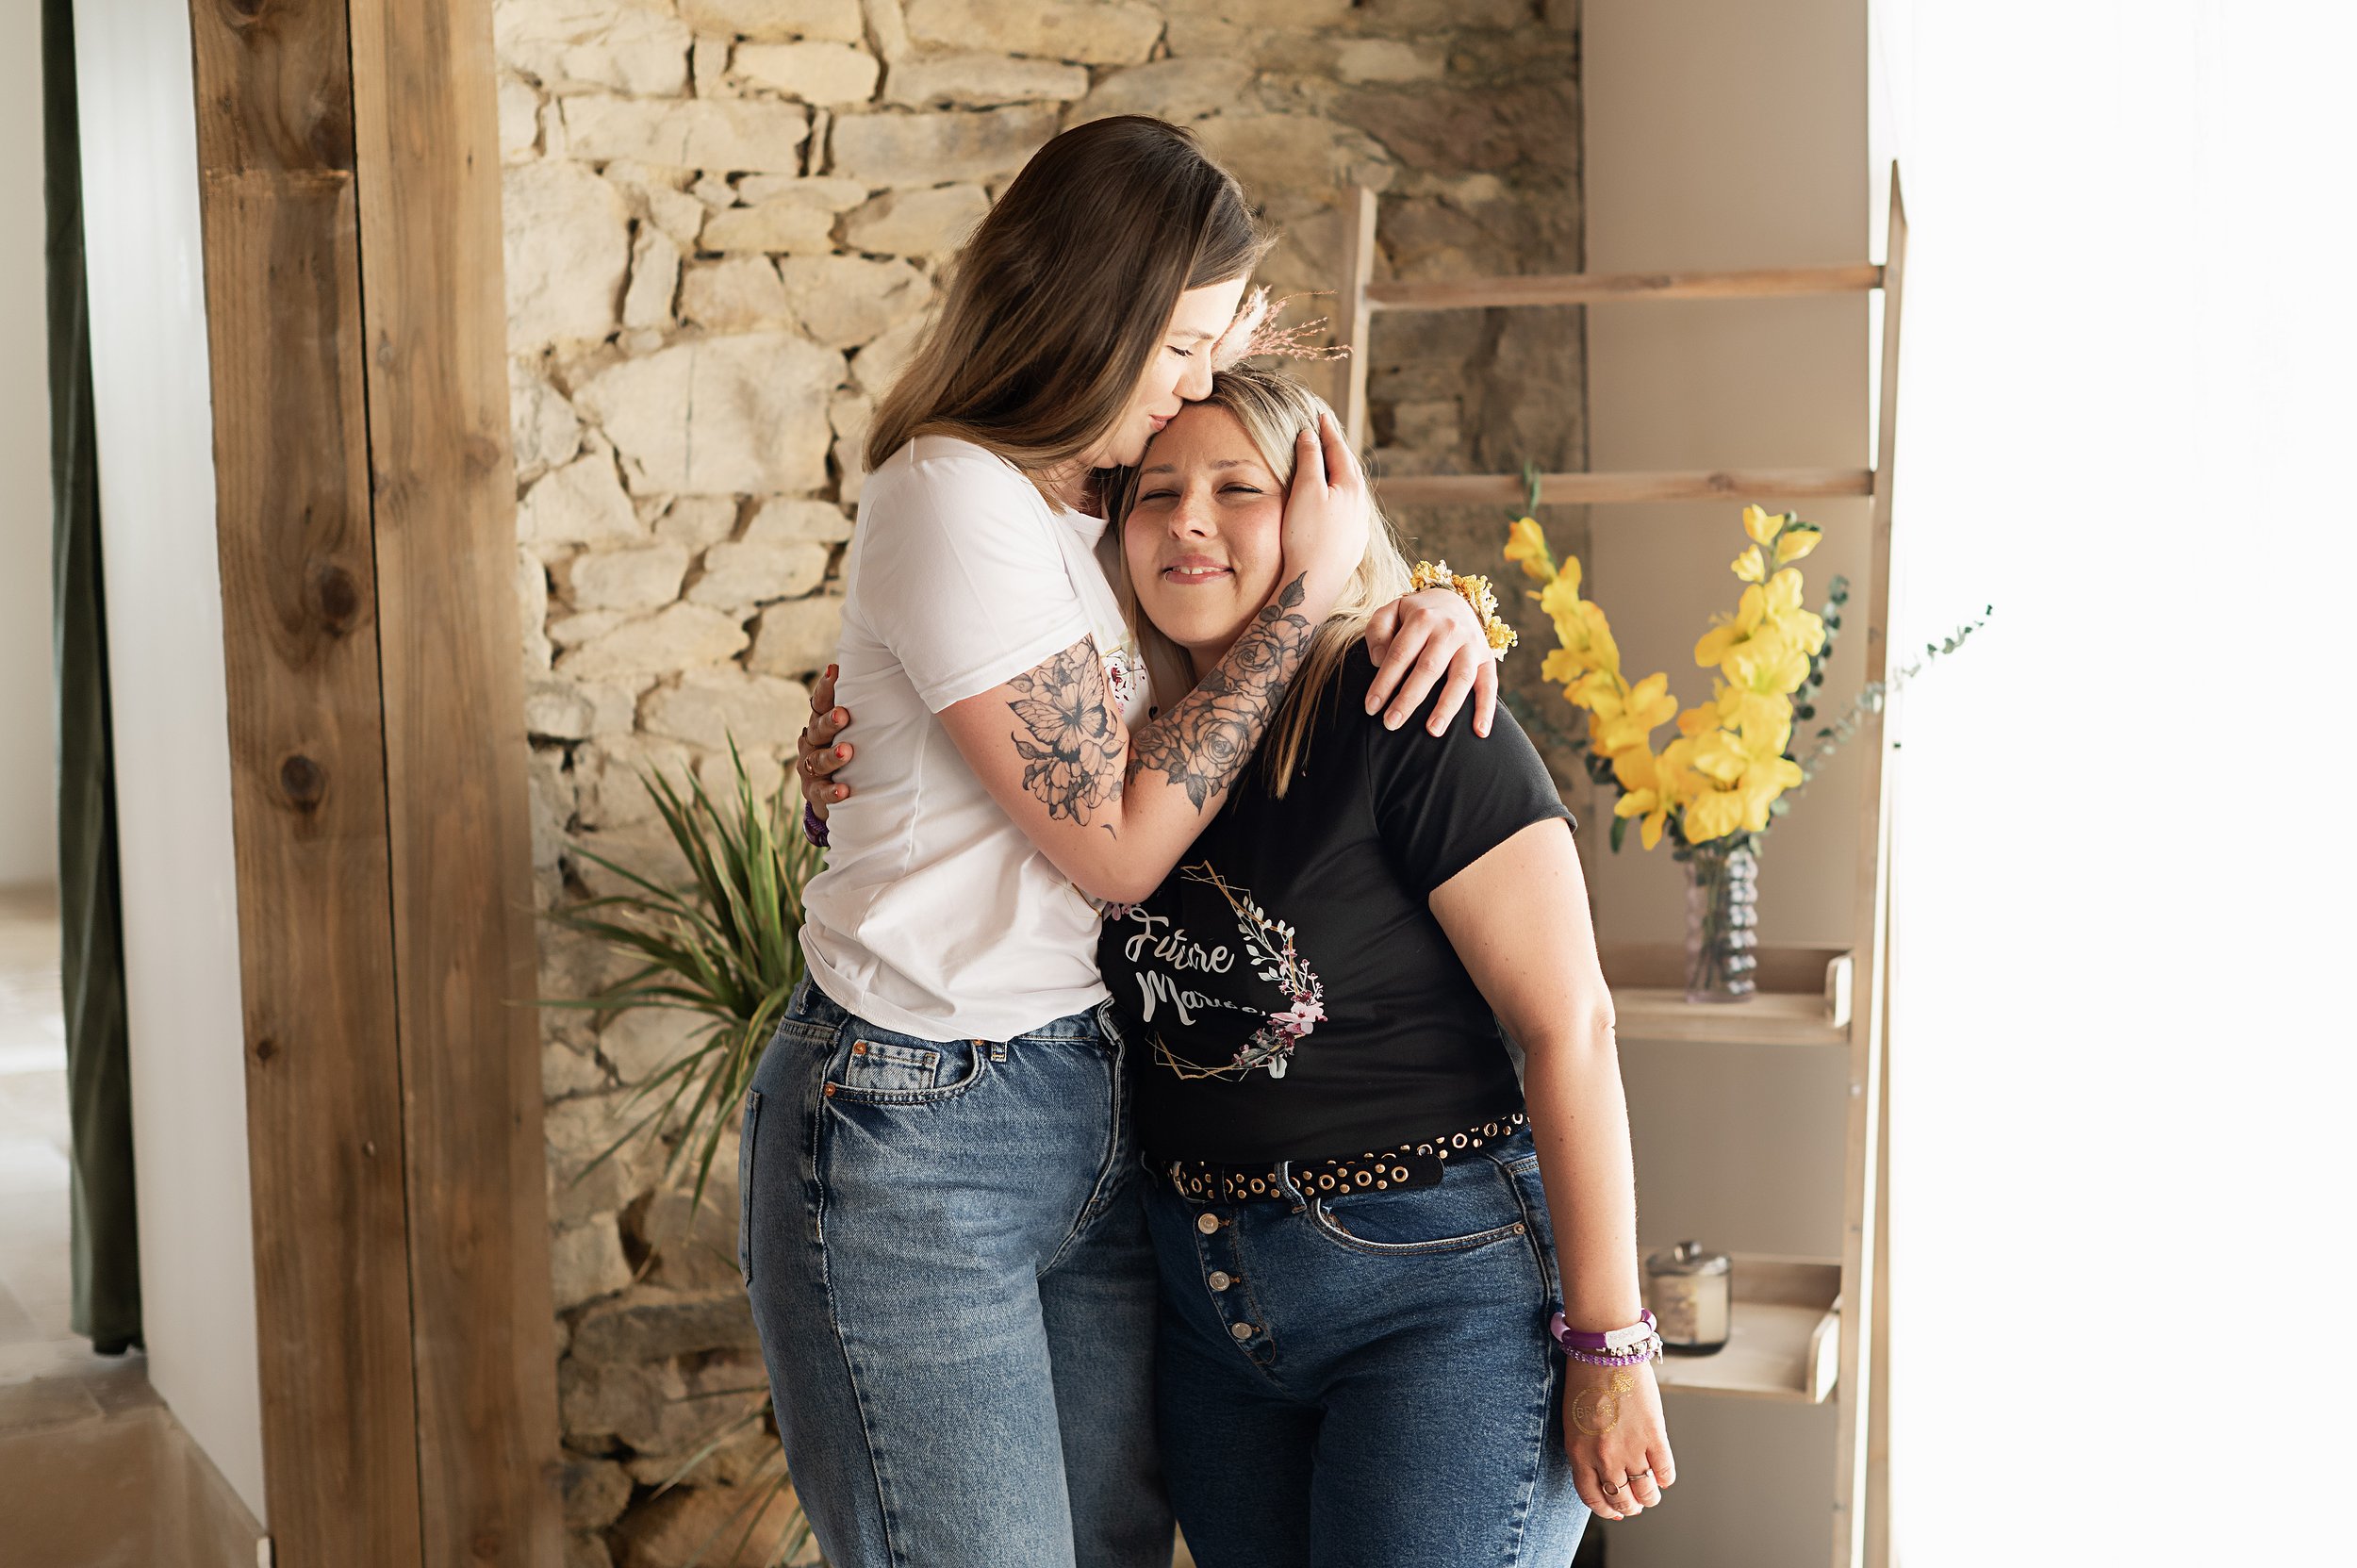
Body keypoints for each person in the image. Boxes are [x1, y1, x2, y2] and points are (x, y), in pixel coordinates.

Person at [739, 116, 1500, 1568]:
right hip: (914, 1117)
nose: (1191, 396)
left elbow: (1220, 583)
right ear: (1093, 315)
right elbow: (1116, 847)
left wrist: (1440, 604)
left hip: (1083, 1103)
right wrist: (1313, 592)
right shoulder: (950, 493)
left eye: (1215, 351)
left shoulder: (1082, 508)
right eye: (1176, 354)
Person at [1088, 367, 1676, 1565]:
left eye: (1236, 488)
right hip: (1209, 1320)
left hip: (1440, 1306)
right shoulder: (1113, 755)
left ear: (1321, 513)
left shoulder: (1403, 697)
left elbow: (1570, 1022)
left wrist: (1611, 1345)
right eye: (1155, 493)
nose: (1187, 519)